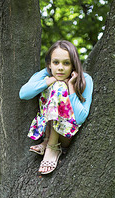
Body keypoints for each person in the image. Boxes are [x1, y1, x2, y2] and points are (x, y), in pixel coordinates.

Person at [19, 40, 93, 174]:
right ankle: (47, 141)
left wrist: (70, 86)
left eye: (66, 63)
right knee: (56, 85)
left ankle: (52, 147)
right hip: (45, 128)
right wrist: (50, 80)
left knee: (60, 86)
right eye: (56, 62)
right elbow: (24, 94)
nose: (60, 68)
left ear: (73, 65)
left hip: (66, 133)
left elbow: (81, 118)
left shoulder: (85, 79)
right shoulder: (46, 74)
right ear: (49, 64)